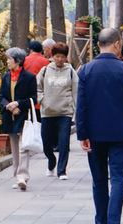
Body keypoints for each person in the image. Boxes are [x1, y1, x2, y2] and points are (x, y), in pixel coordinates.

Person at [76, 27, 123, 224]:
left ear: (98, 45)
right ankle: (114, 220)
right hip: (121, 134)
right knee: (118, 180)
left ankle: (101, 220)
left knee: (98, 181)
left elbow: (82, 105)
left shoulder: (86, 70)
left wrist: (82, 134)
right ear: (117, 44)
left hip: (95, 134)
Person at [37, 41, 78, 179]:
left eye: (62, 56)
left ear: (66, 57)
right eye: (57, 56)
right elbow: (37, 88)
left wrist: (75, 110)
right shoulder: (45, 70)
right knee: (46, 141)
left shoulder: (71, 71)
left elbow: (76, 92)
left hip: (64, 112)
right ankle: (51, 160)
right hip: (47, 112)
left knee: (64, 141)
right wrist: (42, 100)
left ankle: (62, 170)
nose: (60, 59)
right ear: (52, 56)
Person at [0, 47, 38, 190]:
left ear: (17, 61)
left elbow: (34, 98)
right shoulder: (5, 77)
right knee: (14, 148)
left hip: (23, 116)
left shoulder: (29, 77)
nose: (7, 61)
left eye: (9, 59)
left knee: (23, 147)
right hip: (9, 116)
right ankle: (16, 175)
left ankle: (23, 176)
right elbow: (1, 97)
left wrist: (18, 104)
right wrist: (9, 106)